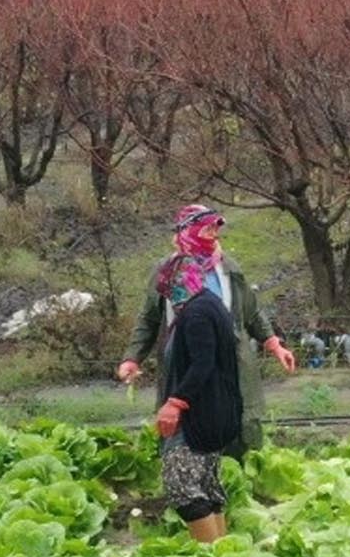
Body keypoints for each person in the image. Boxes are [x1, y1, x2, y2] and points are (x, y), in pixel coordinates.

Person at [117, 203, 297, 538]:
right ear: (188, 230)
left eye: (217, 230)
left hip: (219, 371)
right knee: (200, 454)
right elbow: (148, 319)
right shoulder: (169, 270)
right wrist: (133, 357)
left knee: (202, 457)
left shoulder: (226, 271)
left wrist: (273, 343)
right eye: (207, 229)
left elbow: (252, 314)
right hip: (187, 370)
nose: (214, 237)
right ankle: (219, 540)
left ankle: (221, 532)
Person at [152, 283, 245, 542]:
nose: (167, 294)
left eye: (169, 286)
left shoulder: (196, 314)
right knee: (206, 488)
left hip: (197, 416)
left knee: (184, 489)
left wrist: (176, 402)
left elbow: (202, 362)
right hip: (214, 412)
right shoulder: (210, 303)